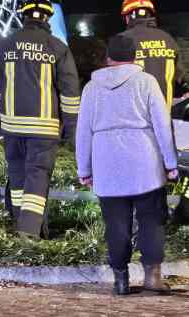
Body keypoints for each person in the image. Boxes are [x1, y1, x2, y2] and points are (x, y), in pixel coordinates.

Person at [76, 34, 178, 296]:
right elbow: (162, 126)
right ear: (134, 57)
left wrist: (84, 169)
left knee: (116, 224)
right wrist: (170, 163)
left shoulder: (91, 88)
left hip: (107, 163)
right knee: (151, 220)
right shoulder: (146, 82)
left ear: (108, 58)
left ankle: (120, 280)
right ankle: (152, 278)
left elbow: (83, 132)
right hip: (145, 163)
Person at [0, 0, 80, 239]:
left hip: (12, 127)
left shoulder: (6, 45)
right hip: (44, 129)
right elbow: (70, 93)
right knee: (37, 180)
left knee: (18, 179)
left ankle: (23, 225)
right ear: (47, 17)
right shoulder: (57, 48)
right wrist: (70, 129)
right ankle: (29, 233)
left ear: (23, 15)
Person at [119, 0, 187, 108]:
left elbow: (110, 79)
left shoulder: (121, 40)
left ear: (128, 16)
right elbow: (180, 75)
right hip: (164, 119)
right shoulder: (168, 39)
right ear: (150, 14)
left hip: (133, 120)